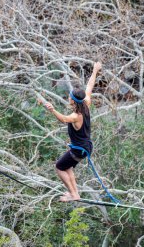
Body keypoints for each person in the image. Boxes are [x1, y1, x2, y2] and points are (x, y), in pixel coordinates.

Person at [45, 62, 102, 202]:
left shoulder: (76, 116)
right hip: (84, 147)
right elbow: (89, 86)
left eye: (70, 96)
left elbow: (64, 119)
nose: (68, 97)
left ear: (73, 101)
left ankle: (74, 194)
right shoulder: (86, 104)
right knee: (67, 167)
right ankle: (74, 193)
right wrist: (95, 70)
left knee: (59, 167)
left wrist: (52, 110)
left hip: (80, 149)